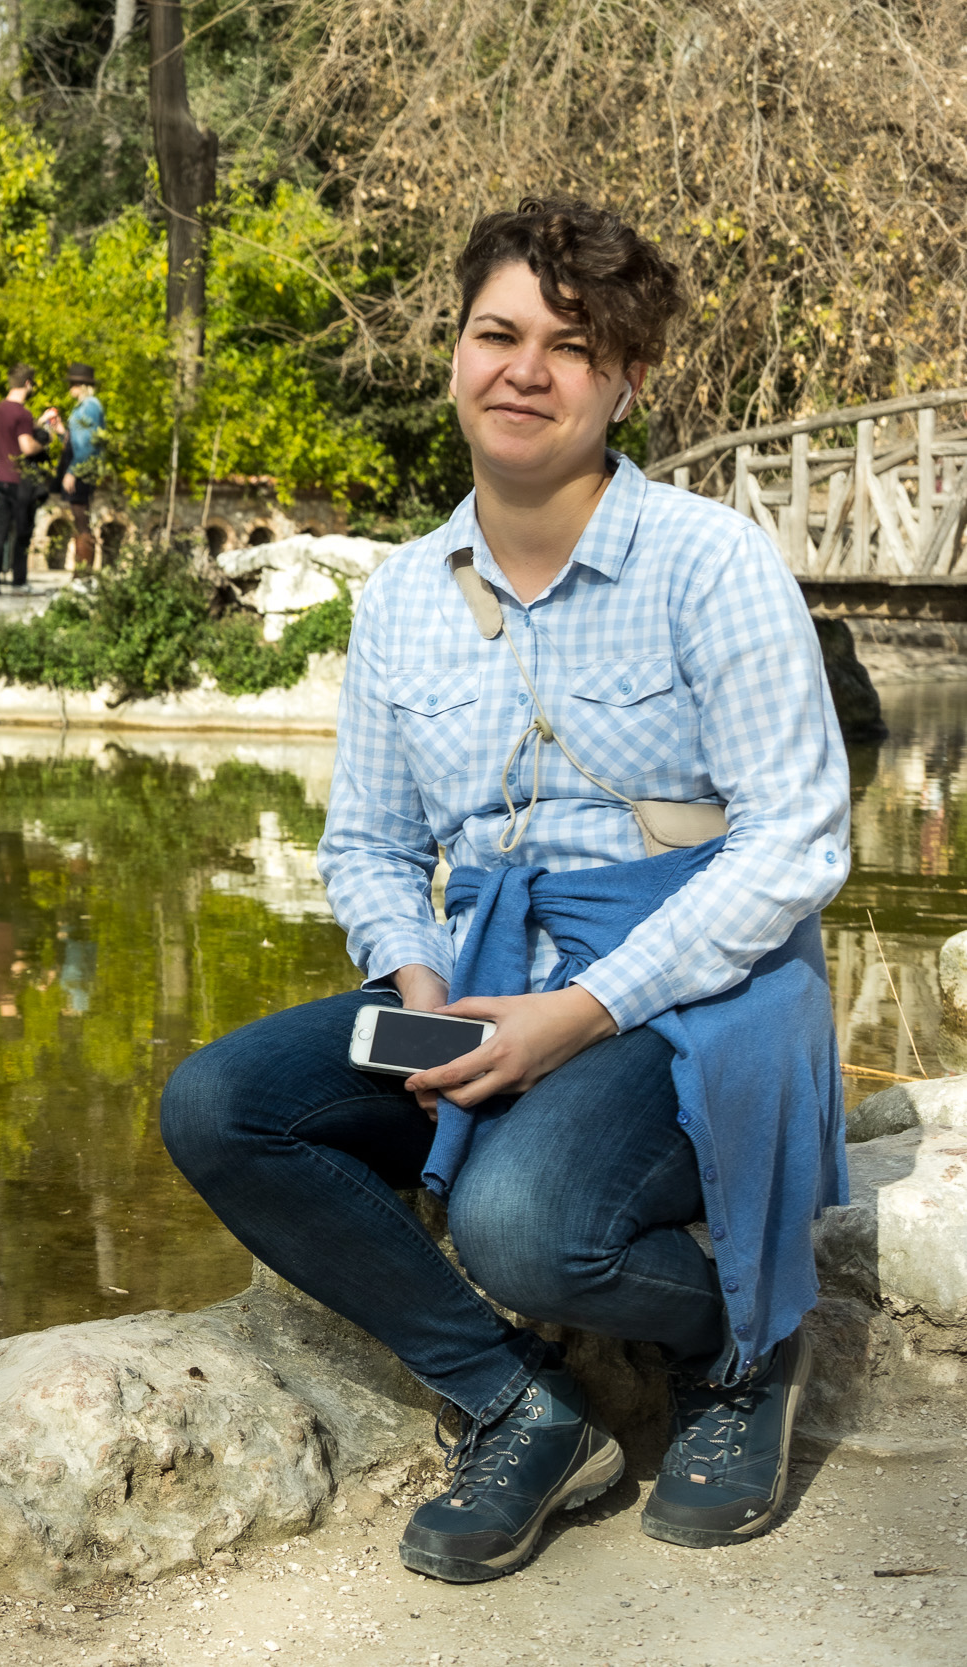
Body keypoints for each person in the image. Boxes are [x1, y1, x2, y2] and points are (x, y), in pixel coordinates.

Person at [159, 198, 848, 1587]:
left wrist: (578, 1014)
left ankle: (749, 1339)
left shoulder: (711, 562)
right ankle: (520, 1401)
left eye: (573, 345)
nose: (526, 368)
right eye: (499, 332)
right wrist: (416, 983)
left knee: (523, 1225)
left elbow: (799, 839)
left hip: (685, 979)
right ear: (457, 350)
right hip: (478, 968)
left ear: (626, 380)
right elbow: (368, 842)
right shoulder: (405, 593)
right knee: (223, 1107)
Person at [0, 364, 52, 590]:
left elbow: (13, 436)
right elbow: (26, 447)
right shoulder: (22, 413)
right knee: (22, 532)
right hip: (19, 480)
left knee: (0, 531)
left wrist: (40, 423)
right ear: (28, 384)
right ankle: (18, 582)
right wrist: (44, 441)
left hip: (0, 475)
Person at [56, 364, 104, 573]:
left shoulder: (90, 407)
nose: (70, 388)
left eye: (73, 384)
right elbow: (75, 440)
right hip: (80, 466)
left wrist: (72, 472)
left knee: (81, 519)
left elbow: (87, 446)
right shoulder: (82, 406)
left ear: (82, 385)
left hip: (82, 469)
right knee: (78, 518)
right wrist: (60, 432)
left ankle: (83, 573)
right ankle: (81, 572)